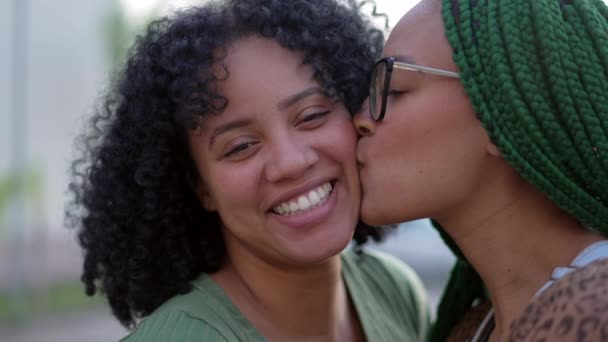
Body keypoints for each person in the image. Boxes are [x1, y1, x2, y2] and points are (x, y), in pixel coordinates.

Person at [66, 0, 430, 341]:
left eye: (312, 116)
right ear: (199, 186)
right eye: (241, 146)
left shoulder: (394, 292)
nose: (290, 162)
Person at [353, 0, 608, 341]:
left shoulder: (595, 310)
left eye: (394, 88)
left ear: (505, 115)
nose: (360, 118)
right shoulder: (475, 324)